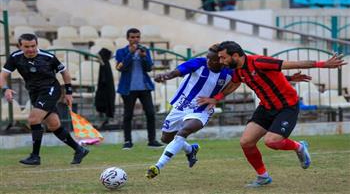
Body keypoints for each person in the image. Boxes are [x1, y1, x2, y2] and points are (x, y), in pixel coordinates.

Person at [145, 44, 310, 179]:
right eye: (208, 58)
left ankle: (158, 166)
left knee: (184, 131)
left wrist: (288, 78)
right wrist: (166, 75)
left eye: (213, 59)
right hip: (181, 106)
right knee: (167, 138)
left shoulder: (229, 71)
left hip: (203, 109)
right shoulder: (198, 63)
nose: (208, 62)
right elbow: (177, 72)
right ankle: (190, 150)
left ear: (221, 60)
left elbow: (254, 75)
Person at [198, 41, 347, 187]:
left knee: (272, 142)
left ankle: (299, 146)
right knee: (246, 142)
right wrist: (216, 98)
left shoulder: (259, 61)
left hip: (286, 107)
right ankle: (263, 177)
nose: (221, 61)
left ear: (235, 55)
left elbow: (292, 64)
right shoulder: (238, 70)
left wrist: (323, 64)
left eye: (224, 57)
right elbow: (235, 83)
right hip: (266, 108)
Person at [0, 33, 89, 165]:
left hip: (50, 90)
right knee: (54, 125)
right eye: (26, 46)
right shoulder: (15, 57)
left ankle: (35, 157)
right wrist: (5, 88)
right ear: (20, 46)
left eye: (33, 46)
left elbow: (64, 72)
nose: (30, 49)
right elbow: (3, 75)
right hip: (35, 93)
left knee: (33, 119)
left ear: (37, 44)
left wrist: (69, 92)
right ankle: (79, 149)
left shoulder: (48, 57)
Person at [115, 28, 163, 149]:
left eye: (137, 37)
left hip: (144, 87)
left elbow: (149, 68)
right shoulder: (121, 51)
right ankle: (127, 141)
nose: (135, 39)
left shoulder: (145, 50)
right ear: (128, 38)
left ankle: (152, 140)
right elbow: (120, 68)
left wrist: (144, 57)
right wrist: (130, 54)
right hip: (128, 88)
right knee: (128, 115)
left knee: (151, 113)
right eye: (132, 37)